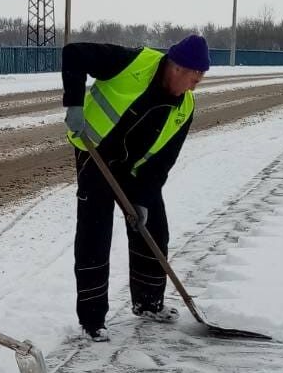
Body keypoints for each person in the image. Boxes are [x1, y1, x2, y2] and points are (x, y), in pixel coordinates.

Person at [61, 34, 209, 342]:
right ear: (177, 67)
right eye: (195, 78)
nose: (196, 85)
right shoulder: (133, 63)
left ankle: (148, 302)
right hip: (96, 152)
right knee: (95, 234)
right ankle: (92, 319)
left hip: (136, 169)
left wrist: (142, 199)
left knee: (153, 227)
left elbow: (163, 160)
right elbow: (74, 53)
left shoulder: (186, 107)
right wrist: (74, 104)